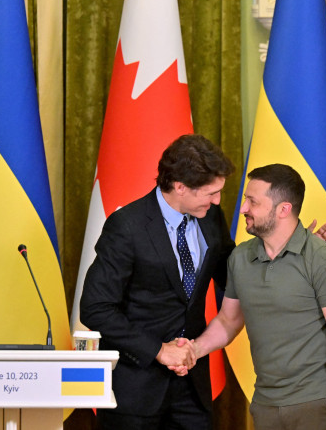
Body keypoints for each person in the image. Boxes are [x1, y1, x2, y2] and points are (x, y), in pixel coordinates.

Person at [178, 163, 326, 430]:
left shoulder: (321, 258)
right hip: (264, 405)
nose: (243, 208)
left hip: (316, 404)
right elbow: (229, 321)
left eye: (253, 201)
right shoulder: (240, 257)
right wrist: (193, 350)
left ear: (283, 209)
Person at [80, 134, 235, 429]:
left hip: (192, 390)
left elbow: (234, 275)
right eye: (210, 193)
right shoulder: (127, 226)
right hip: (136, 390)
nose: (217, 200)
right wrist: (160, 350)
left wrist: (294, 250)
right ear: (180, 186)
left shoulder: (211, 217)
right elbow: (95, 308)